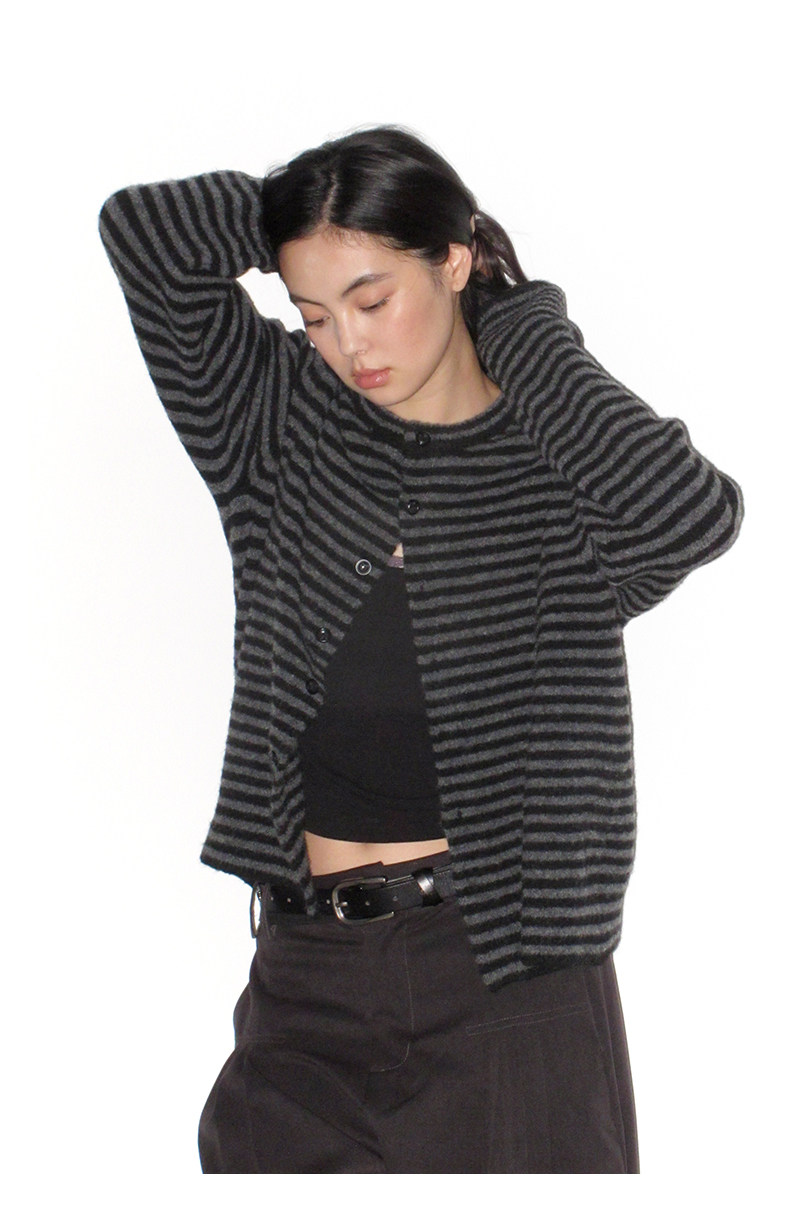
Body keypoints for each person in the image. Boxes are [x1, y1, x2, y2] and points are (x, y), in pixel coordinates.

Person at [99, 125, 743, 1173]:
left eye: (371, 297)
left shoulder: (557, 470)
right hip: (303, 974)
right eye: (314, 313)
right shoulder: (276, 423)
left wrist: (517, 321)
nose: (349, 345)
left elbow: (688, 513)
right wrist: (302, 217)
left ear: (449, 260)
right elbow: (144, 231)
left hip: (503, 981)